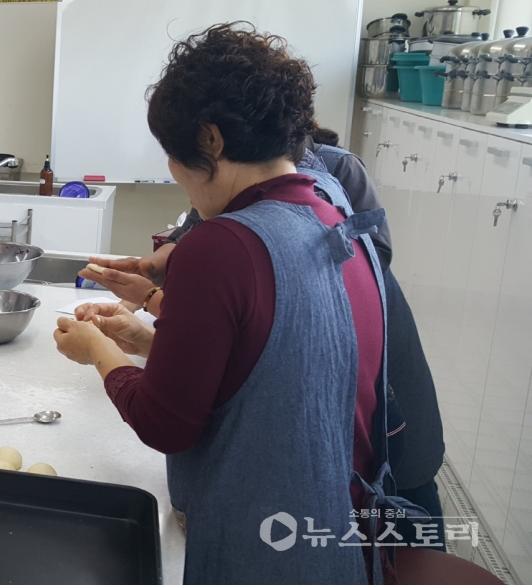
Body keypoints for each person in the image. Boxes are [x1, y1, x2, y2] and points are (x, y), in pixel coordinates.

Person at [52, 25, 395, 583]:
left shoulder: (222, 244)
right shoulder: (336, 215)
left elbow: (166, 424)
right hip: (337, 532)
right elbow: (281, 362)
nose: (180, 182)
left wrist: (97, 353)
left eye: (174, 158)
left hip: (261, 549)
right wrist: (145, 338)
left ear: (209, 140)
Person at [84, 127, 447, 548]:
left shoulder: (325, 183)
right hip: (323, 454)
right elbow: (254, 325)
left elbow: (286, 313)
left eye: (173, 154)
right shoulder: (254, 185)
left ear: (211, 140)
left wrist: (104, 348)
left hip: (375, 412)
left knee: (406, 532)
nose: (173, 172)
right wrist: (161, 292)